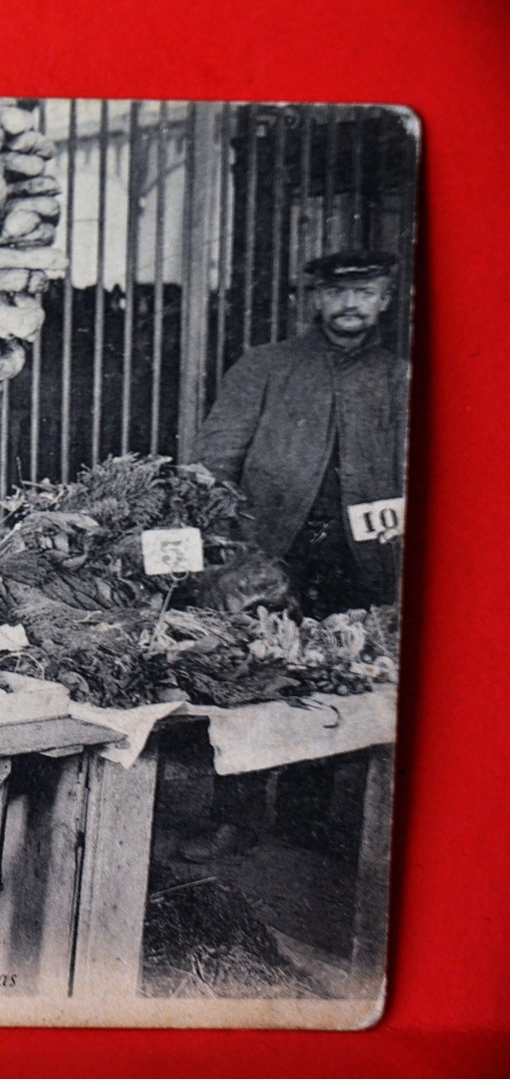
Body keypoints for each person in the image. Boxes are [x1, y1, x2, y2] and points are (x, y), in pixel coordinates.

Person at [180, 250, 408, 863]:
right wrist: (229, 550)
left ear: (386, 299)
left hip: (361, 563)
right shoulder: (266, 367)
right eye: (338, 293)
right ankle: (236, 818)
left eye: (366, 292)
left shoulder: (401, 379)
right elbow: (213, 462)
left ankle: (307, 821)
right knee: (248, 679)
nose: (351, 304)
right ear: (316, 300)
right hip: (264, 557)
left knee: (341, 680)